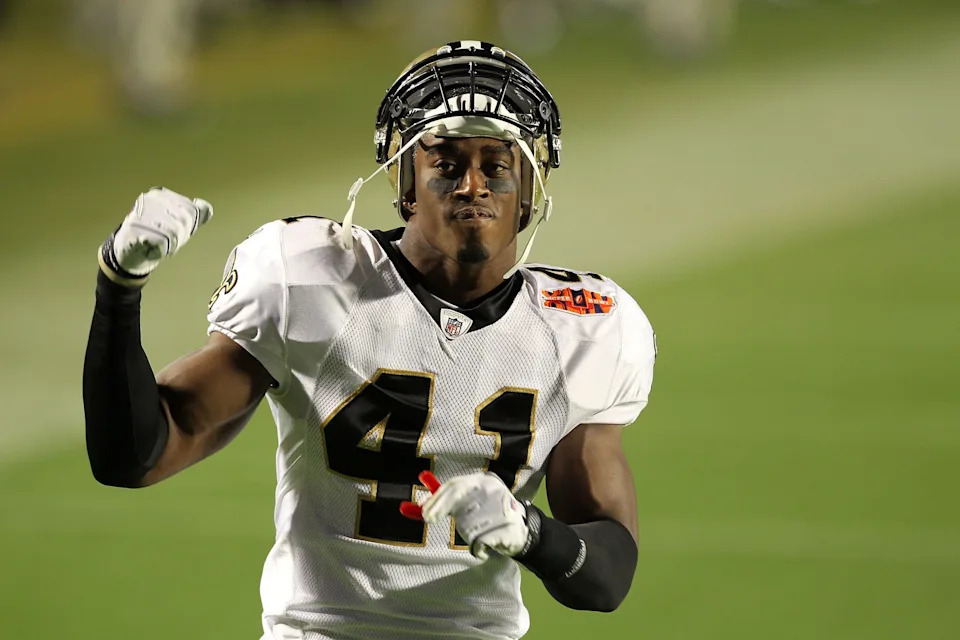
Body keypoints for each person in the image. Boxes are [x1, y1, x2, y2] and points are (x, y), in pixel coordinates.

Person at [84, 40, 657, 640]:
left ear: (530, 190)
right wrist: (120, 286)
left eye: (497, 165)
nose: (473, 185)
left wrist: (529, 531)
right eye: (446, 164)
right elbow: (135, 457)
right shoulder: (312, 278)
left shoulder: (580, 326)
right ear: (406, 181)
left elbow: (608, 578)